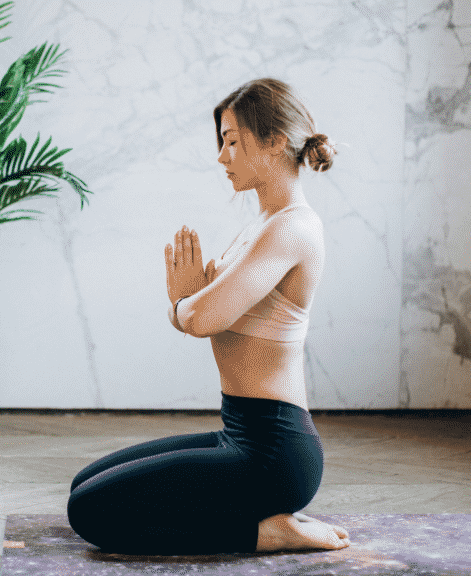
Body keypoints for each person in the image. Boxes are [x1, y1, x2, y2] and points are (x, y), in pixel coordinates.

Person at [67, 78, 351, 555]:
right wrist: (191, 306)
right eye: (223, 142)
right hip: (237, 431)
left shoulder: (294, 228)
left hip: (273, 452)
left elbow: (201, 318)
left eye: (233, 142)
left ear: (277, 141)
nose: (222, 157)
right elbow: (203, 313)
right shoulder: (262, 226)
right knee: (84, 484)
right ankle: (254, 517)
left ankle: (265, 532)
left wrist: (183, 305)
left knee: (89, 512)